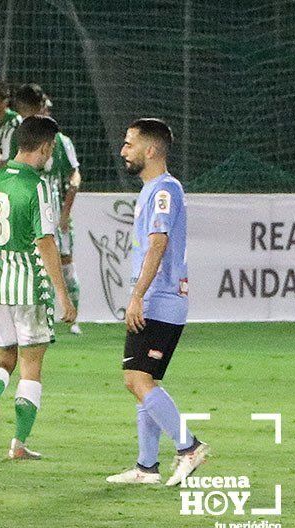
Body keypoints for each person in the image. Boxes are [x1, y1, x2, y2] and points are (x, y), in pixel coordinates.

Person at [106, 118, 209, 486]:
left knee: (135, 379)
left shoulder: (164, 191)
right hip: (161, 297)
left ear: (150, 150)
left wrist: (137, 296)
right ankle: (146, 467)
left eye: (129, 144)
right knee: (144, 381)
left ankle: (189, 446)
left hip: (159, 298)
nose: (123, 151)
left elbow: (158, 243)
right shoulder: (154, 189)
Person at [0, 115, 77, 460]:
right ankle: (18, 443)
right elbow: (46, 241)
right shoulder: (38, 185)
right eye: (51, 151)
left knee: (3, 358)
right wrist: (64, 296)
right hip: (29, 286)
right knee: (31, 367)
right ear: (45, 147)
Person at [39, 92, 84, 334]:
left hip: (56, 213)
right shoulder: (26, 139)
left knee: (66, 265)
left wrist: (66, 210)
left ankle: (72, 318)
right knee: (39, 267)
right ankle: (45, 321)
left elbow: (75, 174)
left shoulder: (61, 142)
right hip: (35, 211)